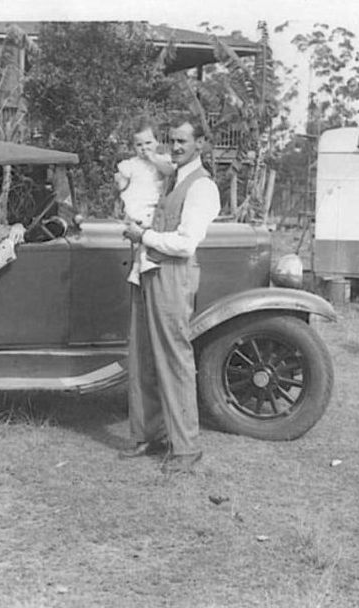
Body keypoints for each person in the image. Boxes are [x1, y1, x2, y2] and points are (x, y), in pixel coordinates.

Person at [120, 118, 220, 473]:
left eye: (183, 141)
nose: (175, 147)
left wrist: (142, 238)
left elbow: (185, 242)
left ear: (201, 144)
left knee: (175, 361)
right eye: (172, 140)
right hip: (148, 271)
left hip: (172, 276)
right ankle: (150, 433)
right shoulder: (173, 177)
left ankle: (186, 447)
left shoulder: (202, 186)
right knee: (144, 357)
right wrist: (143, 230)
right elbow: (166, 227)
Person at [114, 117, 176, 226]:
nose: (144, 147)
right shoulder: (132, 164)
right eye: (139, 145)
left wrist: (153, 159)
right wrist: (120, 185)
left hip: (154, 205)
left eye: (148, 143)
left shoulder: (162, 160)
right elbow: (121, 185)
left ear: (157, 142)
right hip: (135, 204)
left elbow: (170, 172)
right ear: (134, 147)